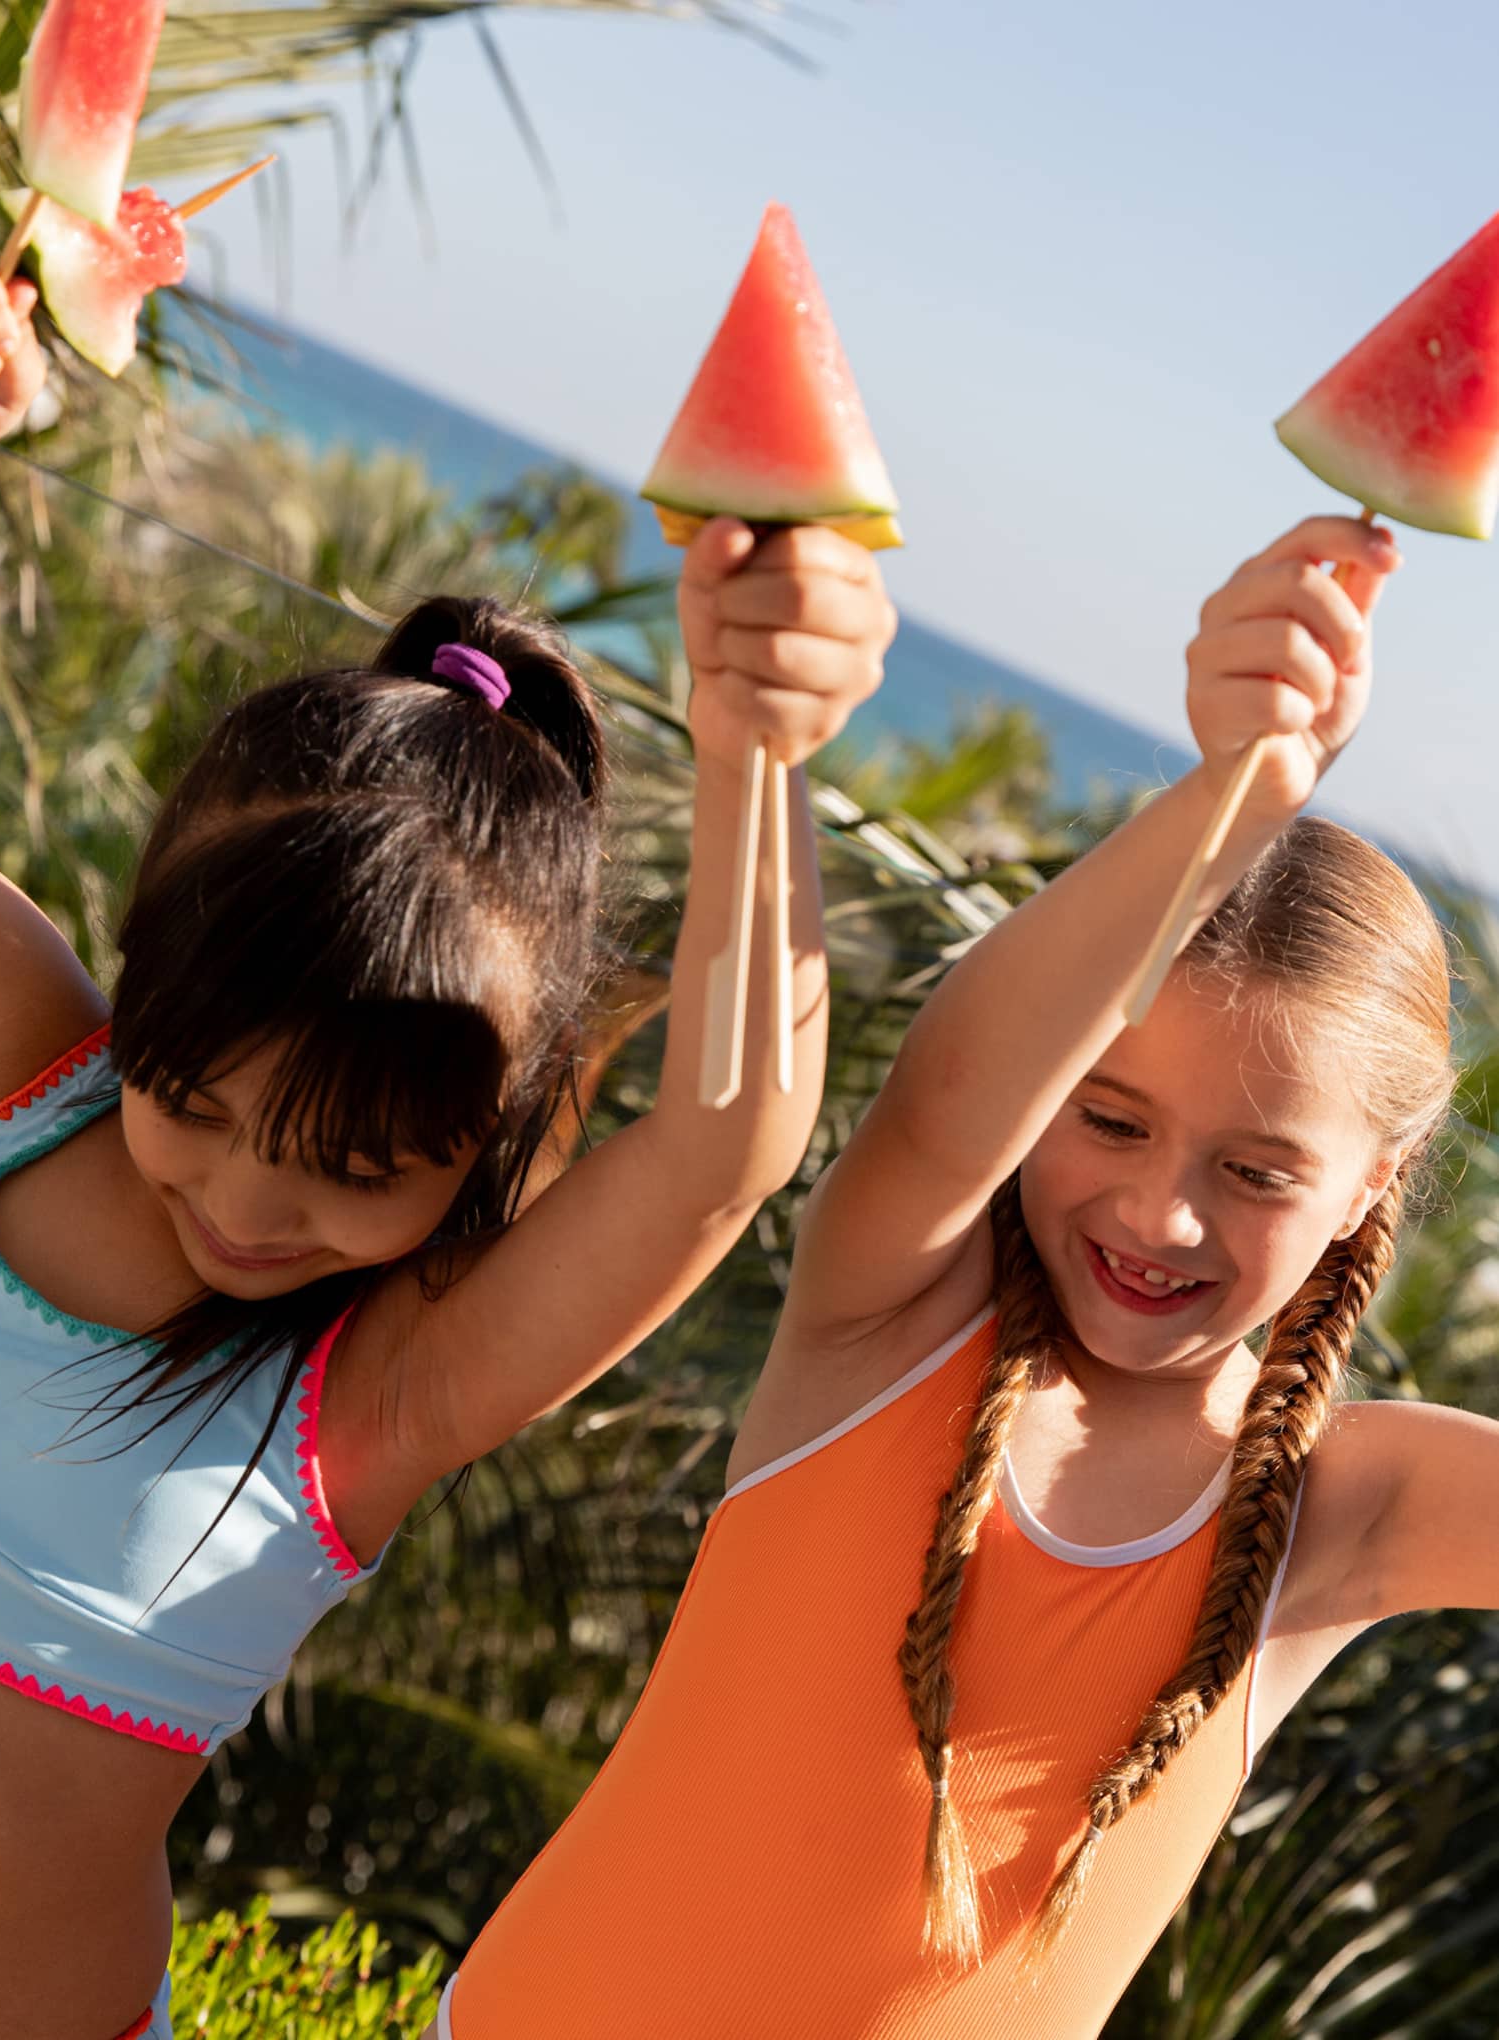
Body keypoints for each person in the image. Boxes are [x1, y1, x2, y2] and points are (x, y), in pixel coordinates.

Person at [0, 258, 899, 2040]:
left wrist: (757, 753)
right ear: (142, 965)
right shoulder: (13, 1065)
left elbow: (721, 1143)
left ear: (483, 1132)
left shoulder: (378, 1395)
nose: (249, 1204)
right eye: (198, 1100)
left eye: (354, 1164)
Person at [431, 513, 1499, 2039]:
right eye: (1108, 1118)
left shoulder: (1348, 1510)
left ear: (1367, 1190)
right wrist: (1232, 792)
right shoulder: (893, 1319)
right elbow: (942, 1105)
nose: (1158, 1212)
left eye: (1254, 1172)